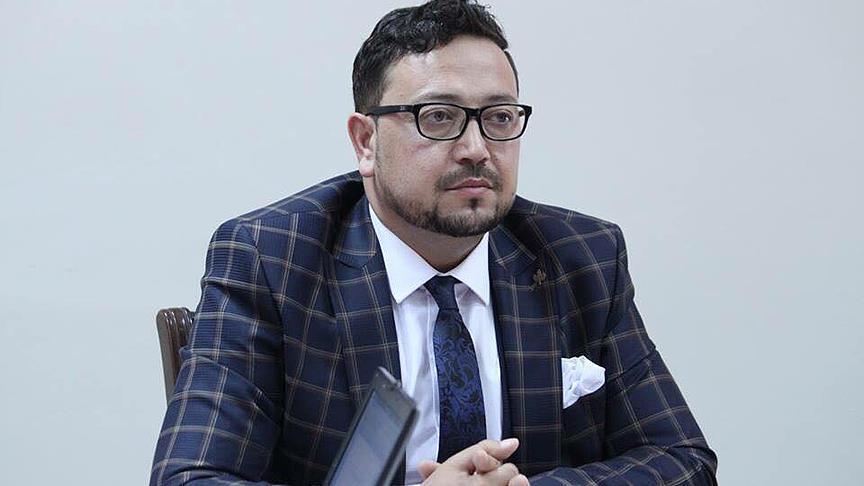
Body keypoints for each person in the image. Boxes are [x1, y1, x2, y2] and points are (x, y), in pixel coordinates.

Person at [150, 1, 717, 484]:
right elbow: (190, 477)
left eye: (498, 117)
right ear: (366, 141)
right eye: (439, 117)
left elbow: (684, 462)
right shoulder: (273, 260)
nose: (477, 148)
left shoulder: (581, 257)